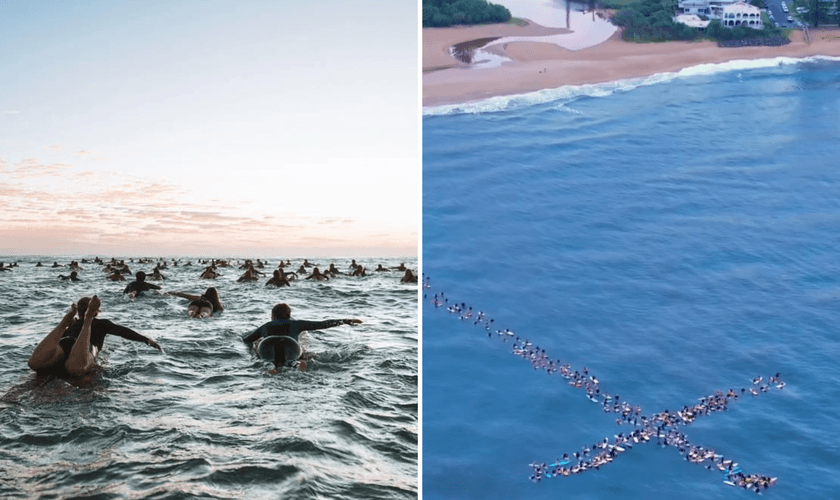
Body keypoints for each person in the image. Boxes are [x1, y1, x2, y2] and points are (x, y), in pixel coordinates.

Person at [27, 295, 162, 378]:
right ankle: (88, 322)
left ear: (77, 311)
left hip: (64, 343)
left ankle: (63, 322)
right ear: (97, 312)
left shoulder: (72, 326)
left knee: (35, 364)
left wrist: (67, 326)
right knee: (75, 369)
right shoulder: (103, 324)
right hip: (85, 348)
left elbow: (49, 345)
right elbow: (124, 332)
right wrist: (147, 340)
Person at [242, 303, 362, 374]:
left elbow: (247, 340)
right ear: (289, 315)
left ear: (273, 316)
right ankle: (297, 365)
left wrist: (254, 347)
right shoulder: (297, 323)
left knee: (268, 361)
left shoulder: (266, 326)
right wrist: (346, 321)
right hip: (291, 344)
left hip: (267, 344)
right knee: (292, 360)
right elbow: (322, 324)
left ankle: (271, 369)